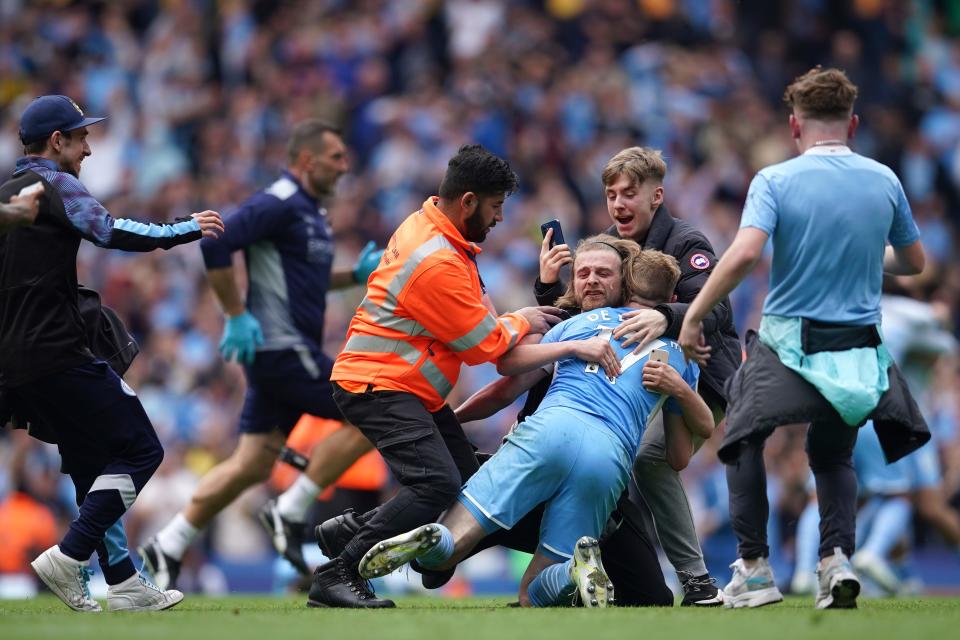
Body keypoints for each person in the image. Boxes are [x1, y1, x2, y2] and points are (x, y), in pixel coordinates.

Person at [678, 67, 929, 610]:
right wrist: (863, 256)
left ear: (795, 126)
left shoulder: (776, 179)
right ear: (853, 124)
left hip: (791, 344)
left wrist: (694, 313)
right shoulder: (884, 179)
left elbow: (744, 253)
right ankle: (835, 559)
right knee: (832, 456)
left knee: (742, 438)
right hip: (858, 352)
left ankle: (754, 569)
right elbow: (914, 262)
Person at [357, 240, 714, 608]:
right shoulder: (681, 356)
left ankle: (434, 542)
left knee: (447, 549)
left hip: (547, 432)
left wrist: (450, 419)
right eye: (584, 273)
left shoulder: (579, 324)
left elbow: (506, 374)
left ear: (625, 284)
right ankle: (572, 570)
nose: (591, 281)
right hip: (609, 459)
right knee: (533, 594)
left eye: (602, 274)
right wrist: (680, 391)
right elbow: (680, 456)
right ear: (672, 297)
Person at [306, 143, 561, 608]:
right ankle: (338, 573)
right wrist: (524, 317)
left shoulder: (432, 229)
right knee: (436, 486)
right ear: (468, 201)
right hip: (380, 383)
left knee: (466, 488)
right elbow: (484, 345)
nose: (500, 218)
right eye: (496, 206)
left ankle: (350, 531)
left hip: (401, 384)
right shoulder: (437, 259)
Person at [0, 94, 223, 612]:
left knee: (90, 463)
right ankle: (71, 554)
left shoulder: (6, 195)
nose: (88, 151)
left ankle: (122, 580)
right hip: (56, 353)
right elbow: (108, 229)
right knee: (143, 449)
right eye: (80, 139)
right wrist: (180, 229)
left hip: (17, 364)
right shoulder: (52, 183)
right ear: (57, 142)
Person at [139, 120, 378, 588]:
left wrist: (354, 275)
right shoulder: (279, 201)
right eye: (336, 157)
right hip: (282, 347)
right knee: (375, 407)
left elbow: (305, 276)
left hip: (282, 353)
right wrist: (234, 313)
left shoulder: (311, 212)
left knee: (252, 463)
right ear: (307, 161)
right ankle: (290, 508)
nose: (345, 166)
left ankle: (168, 543)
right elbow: (218, 240)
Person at [531, 146, 737, 605]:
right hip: (635, 380)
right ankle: (618, 575)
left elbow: (719, 309)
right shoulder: (608, 245)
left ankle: (698, 580)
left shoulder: (688, 244)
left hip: (702, 373)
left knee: (651, 459)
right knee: (603, 458)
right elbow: (578, 313)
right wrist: (546, 286)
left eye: (630, 194)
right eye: (611, 195)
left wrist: (665, 316)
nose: (619, 204)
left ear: (656, 196)